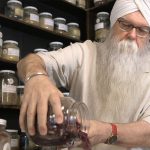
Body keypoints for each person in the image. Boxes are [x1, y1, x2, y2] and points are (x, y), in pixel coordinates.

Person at [17, 0, 150, 149]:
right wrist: (36, 76)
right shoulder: (85, 53)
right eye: (125, 25)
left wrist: (106, 132)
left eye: (142, 30)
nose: (132, 35)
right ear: (112, 24)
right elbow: (28, 62)